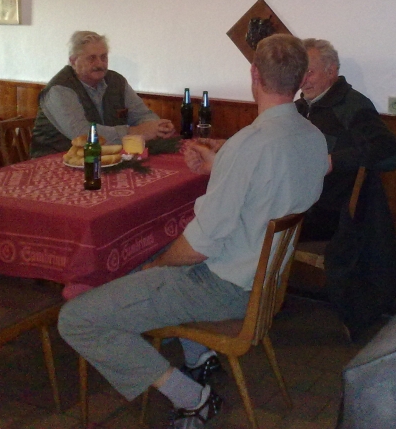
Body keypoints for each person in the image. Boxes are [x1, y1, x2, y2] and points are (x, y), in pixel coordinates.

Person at [58, 34, 328, 429]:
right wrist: (221, 164)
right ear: (302, 79)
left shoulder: (248, 145)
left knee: (78, 318)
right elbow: (274, 182)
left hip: (224, 288)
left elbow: (198, 247)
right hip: (264, 279)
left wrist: (157, 267)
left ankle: (193, 398)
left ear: (254, 74)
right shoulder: (313, 138)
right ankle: (199, 356)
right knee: (151, 253)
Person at [295, 38, 396, 340]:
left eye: (310, 72)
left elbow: (390, 152)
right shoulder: (298, 109)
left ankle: (247, 305)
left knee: (249, 219)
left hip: (328, 214)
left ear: (331, 71)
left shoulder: (352, 105)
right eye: (299, 72)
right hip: (301, 202)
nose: (303, 80)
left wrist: (334, 160)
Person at [31, 31, 175, 156]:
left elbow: (141, 114)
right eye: (91, 58)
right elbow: (83, 134)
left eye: (103, 57)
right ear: (73, 61)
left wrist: (158, 127)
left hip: (105, 158)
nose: (100, 64)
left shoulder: (116, 81)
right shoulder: (59, 89)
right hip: (55, 162)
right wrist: (134, 132)